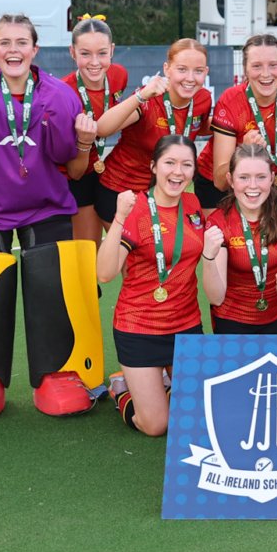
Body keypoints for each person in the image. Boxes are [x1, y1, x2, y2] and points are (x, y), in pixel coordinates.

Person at [0, 14, 95, 419]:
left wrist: (66, 127)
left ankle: (56, 374)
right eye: (5, 43)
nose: (13, 50)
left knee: (51, 290)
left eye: (21, 42)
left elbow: (63, 156)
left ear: (34, 49)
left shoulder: (61, 95)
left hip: (45, 204)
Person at [98, 135, 207, 435]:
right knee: (156, 425)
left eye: (186, 165)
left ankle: (162, 386)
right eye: (169, 163)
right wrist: (119, 217)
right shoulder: (136, 209)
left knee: (197, 417)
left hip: (186, 326)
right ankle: (122, 389)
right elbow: (105, 273)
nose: (178, 172)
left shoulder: (193, 204)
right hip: (140, 328)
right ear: (154, 166)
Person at [202, 144, 277, 333]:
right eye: (243, 177)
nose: (253, 185)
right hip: (234, 321)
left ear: (272, 178)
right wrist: (208, 257)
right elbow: (216, 298)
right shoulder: (219, 222)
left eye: (261, 177)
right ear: (231, 180)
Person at [95, 38, 213, 209]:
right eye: (182, 69)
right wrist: (141, 96)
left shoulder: (203, 99)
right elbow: (102, 129)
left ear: (206, 71)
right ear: (167, 69)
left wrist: (234, 126)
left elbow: (198, 127)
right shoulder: (150, 98)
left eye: (198, 71)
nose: (190, 78)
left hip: (163, 193)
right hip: (122, 190)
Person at [197, 34, 277, 208]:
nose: (266, 74)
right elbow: (220, 181)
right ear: (245, 70)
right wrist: (243, 150)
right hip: (217, 185)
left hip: (261, 179)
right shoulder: (231, 101)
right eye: (256, 66)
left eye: (273, 65)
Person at [61, 17, 131, 244]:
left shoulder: (119, 75)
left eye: (102, 53)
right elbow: (74, 172)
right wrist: (84, 142)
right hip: (75, 177)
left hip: (106, 173)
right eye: (85, 54)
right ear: (72, 52)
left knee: (127, 247)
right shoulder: (63, 93)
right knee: (88, 250)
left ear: (112, 50)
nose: (94, 62)